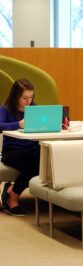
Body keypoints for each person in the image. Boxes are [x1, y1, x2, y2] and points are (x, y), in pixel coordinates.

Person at [0, 79, 40, 217]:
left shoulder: (35, 109)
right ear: (15, 96)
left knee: (46, 161)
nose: (28, 101)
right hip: (12, 151)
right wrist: (18, 124)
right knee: (31, 166)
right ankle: (13, 198)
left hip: (32, 147)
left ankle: (11, 188)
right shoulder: (5, 109)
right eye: (24, 98)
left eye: (31, 97)